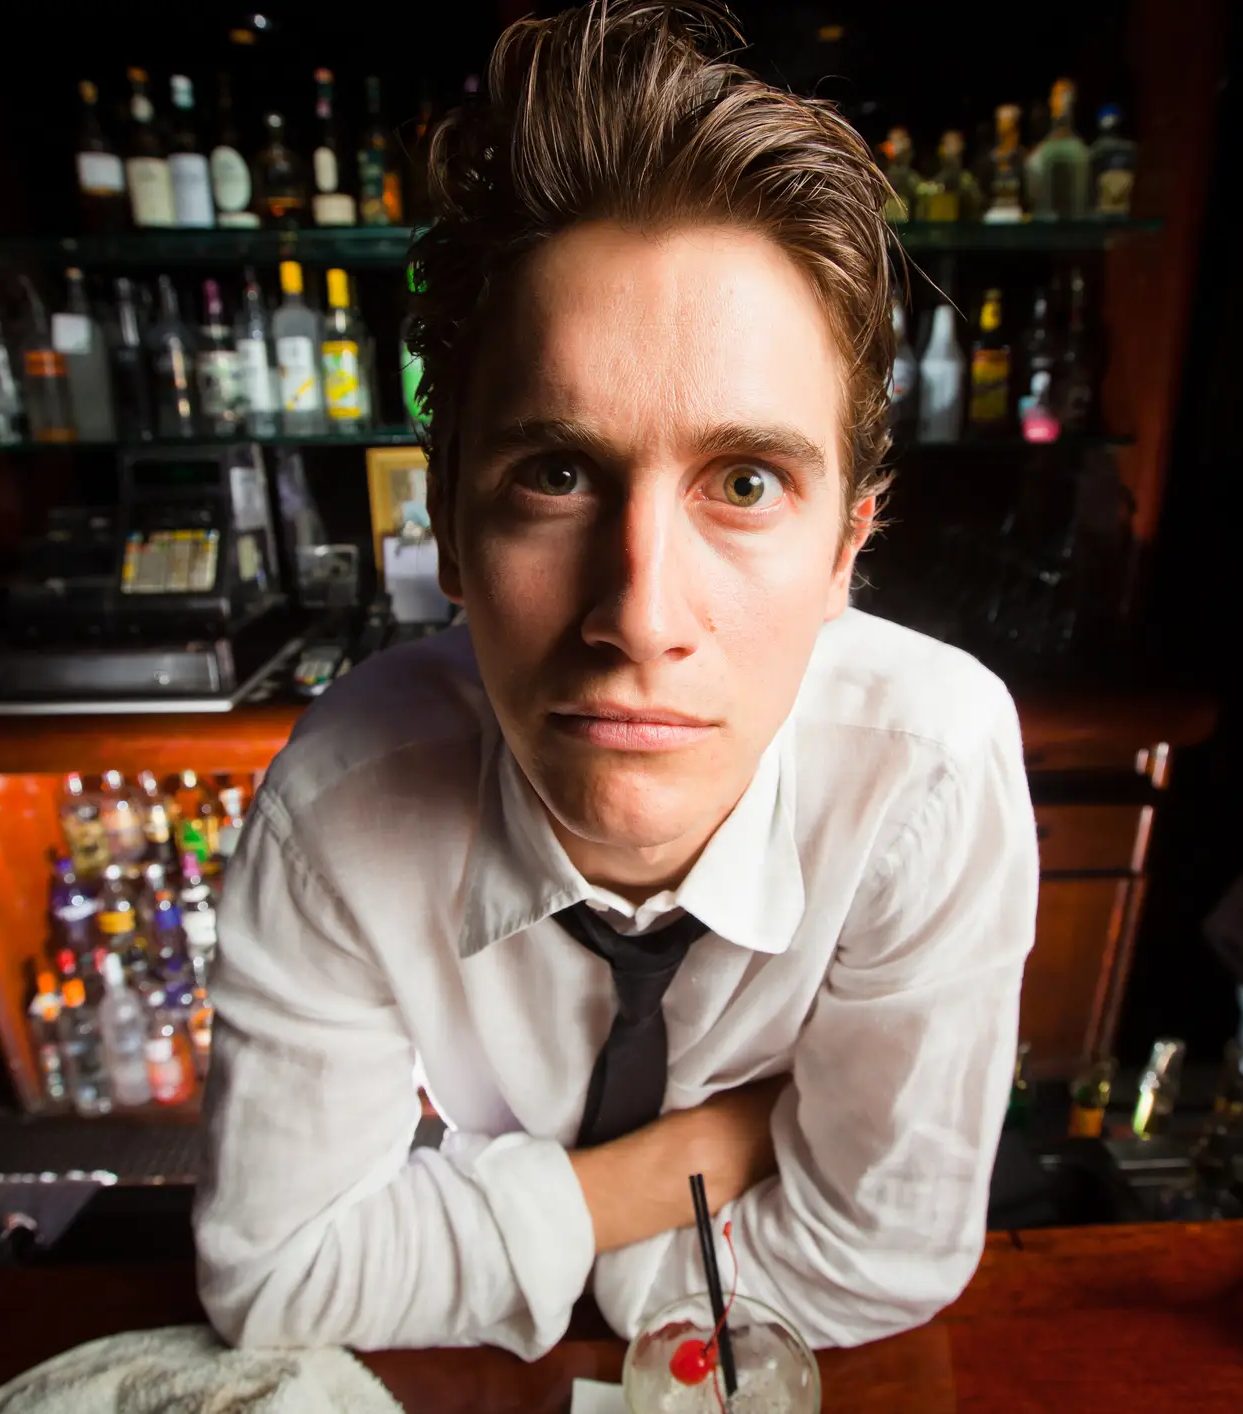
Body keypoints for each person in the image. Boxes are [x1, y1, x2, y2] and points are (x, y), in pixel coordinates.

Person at [196, 0, 1039, 1357]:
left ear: (847, 551)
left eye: (747, 482)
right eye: (557, 472)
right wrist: (708, 1156)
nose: (641, 615)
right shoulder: (341, 799)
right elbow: (278, 1279)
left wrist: (520, 1243)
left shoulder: (925, 771)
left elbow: (882, 1261)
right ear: (452, 535)